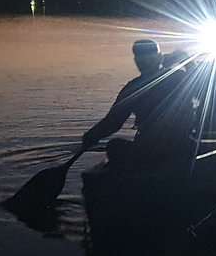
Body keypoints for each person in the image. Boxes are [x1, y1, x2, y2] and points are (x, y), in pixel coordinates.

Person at [81, 39, 195, 167]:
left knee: (114, 146)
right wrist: (187, 60)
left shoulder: (133, 88)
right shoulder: (180, 77)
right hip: (180, 147)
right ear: (159, 58)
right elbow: (205, 90)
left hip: (154, 148)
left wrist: (91, 135)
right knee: (115, 146)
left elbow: (113, 121)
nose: (142, 61)